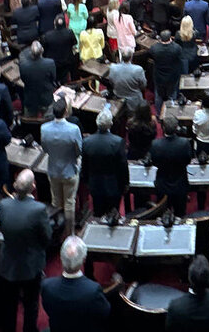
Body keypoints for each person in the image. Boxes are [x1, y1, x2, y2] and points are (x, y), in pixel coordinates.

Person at [0, 170, 51, 332]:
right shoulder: (38, 210)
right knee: (31, 306)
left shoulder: (4, 205)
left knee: (9, 307)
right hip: (30, 266)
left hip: (8, 265)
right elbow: (46, 238)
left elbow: (3, 229)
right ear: (33, 187)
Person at [41, 236, 111, 332]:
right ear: (83, 260)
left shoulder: (47, 286)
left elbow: (47, 309)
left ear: (62, 260)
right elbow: (105, 312)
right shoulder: (93, 290)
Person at [41, 99, 84, 234]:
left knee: (56, 202)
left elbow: (45, 149)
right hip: (70, 171)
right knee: (69, 203)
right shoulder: (73, 129)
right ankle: (69, 233)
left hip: (53, 170)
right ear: (66, 112)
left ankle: (57, 232)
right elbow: (79, 151)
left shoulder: (44, 128)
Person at [82, 108, 128, 216]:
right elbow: (123, 166)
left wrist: (87, 181)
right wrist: (125, 184)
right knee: (113, 215)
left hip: (95, 184)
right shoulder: (118, 142)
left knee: (98, 214)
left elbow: (85, 165)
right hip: (113, 186)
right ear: (111, 124)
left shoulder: (87, 142)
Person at [151, 114, 191, 216]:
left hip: (162, 185)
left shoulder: (156, 144)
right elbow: (187, 161)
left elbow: (154, 162)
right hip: (180, 184)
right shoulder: (184, 143)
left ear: (163, 128)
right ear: (176, 127)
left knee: (163, 215)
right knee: (180, 215)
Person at [19, 41, 57, 117]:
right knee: (48, 119)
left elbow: (23, 80)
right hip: (46, 97)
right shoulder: (50, 63)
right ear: (42, 51)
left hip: (30, 98)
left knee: (30, 121)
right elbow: (53, 78)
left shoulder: (23, 66)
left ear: (30, 53)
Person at [150, 30, 183, 107]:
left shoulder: (154, 48)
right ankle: (171, 113)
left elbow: (151, 56)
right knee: (172, 94)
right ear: (170, 38)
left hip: (159, 76)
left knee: (158, 95)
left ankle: (158, 114)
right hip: (172, 76)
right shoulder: (176, 48)